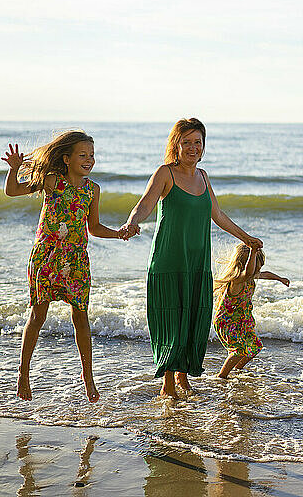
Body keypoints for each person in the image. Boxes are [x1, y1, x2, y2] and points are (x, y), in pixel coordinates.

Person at [120, 118, 263, 398]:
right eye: (186, 142)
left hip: (197, 261)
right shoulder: (165, 173)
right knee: (171, 319)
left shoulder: (203, 176)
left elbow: (218, 215)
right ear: (176, 144)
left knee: (193, 317)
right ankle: (168, 384)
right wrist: (131, 222)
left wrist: (245, 238)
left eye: (197, 142)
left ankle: (183, 378)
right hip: (169, 260)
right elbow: (145, 204)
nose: (193, 147)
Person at [2, 131, 125, 403]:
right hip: (46, 257)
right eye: (83, 155)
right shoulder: (52, 181)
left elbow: (93, 228)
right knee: (38, 315)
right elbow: (13, 191)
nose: (89, 160)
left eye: (92, 155)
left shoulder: (93, 190)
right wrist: (13, 170)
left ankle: (88, 377)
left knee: (81, 316)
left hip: (77, 260)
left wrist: (118, 233)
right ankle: (23, 372)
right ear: (67, 159)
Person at [213, 243, 290, 379]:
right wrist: (253, 251)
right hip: (227, 322)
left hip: (242, 320)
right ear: (246, 264)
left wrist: (280, 279)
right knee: (239, 350)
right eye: (257, 266)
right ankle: (222, 376)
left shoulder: (251, 276)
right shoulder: (238, 280)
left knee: (255, 346)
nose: (258, 271)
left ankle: (237, 369)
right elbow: (249, 272)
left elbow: (264, 274)